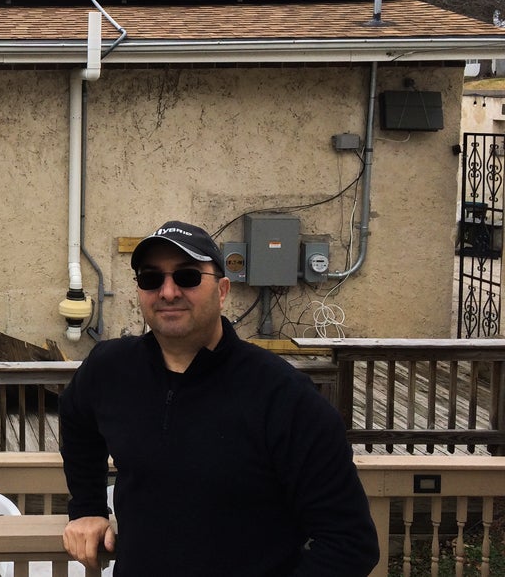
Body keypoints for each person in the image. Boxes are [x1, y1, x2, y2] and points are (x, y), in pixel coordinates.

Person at [59, 220, 380, 576]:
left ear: (222, 290)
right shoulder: (110, 368)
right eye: (151, 278)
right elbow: (76, 420)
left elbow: (350, 543)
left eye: (188, 277)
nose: (167, 292)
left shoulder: (284, 397)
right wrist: (87, 507)